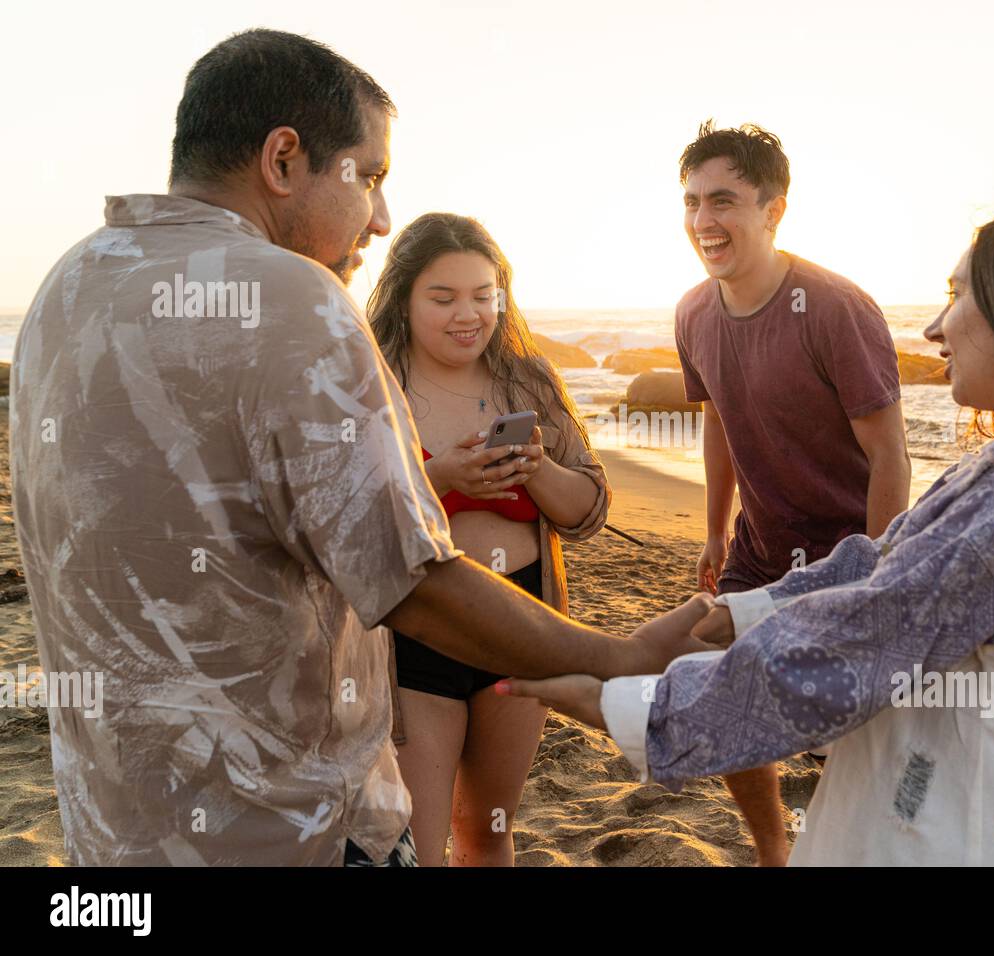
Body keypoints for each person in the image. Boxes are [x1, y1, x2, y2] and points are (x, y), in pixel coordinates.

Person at [9, 28, 706, 867]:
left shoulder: (67, 285)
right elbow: (410, 578)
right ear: (283, 160)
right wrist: (615, 655)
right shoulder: (294, 296)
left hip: (112, 837)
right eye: (369, 176)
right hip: (290, 830)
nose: (379, 216)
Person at [504, 204, 994, 866]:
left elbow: (884, 625)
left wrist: (634, 707)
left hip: (972, 838)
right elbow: (889, 560)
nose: (935, 328)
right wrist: (734, 614)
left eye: (958, 294)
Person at [673, 121, 911, 864]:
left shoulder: (837, 309)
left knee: (852, 734)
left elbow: (891, 457)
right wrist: (714, 529)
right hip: (760, 548)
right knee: (728, 695)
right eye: (691, 203)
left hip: (849, 552)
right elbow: (719, 420)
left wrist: (874, 572)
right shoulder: (691, 313)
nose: (704, 222)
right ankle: (774, 851)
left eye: (724, 201)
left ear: (773, 210)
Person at [367, 213, 609, 865]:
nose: (467, 314)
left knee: (489, 828)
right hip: (417, 630)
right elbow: (348, 515)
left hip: (521, 626)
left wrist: (541, 469)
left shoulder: (527, 381)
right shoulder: (372, 385)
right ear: (404, 298)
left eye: (483, 295)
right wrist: (438, 476)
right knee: (416, 841)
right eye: (443, 298)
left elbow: (587, 510)